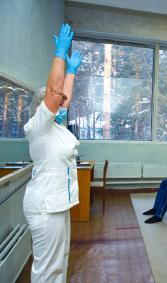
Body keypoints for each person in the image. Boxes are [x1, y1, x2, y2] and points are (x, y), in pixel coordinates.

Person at [23, 23, 82, 283]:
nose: (63, 105)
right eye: (57, 103)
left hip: (57, 204)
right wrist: (59, 55)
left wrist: (71, 72)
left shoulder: (56, 127)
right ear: (45, 107)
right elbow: (55, 92)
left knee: (60, 262)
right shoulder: (39, 126)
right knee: (48, 269)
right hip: (46, 206)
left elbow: (63, 98)